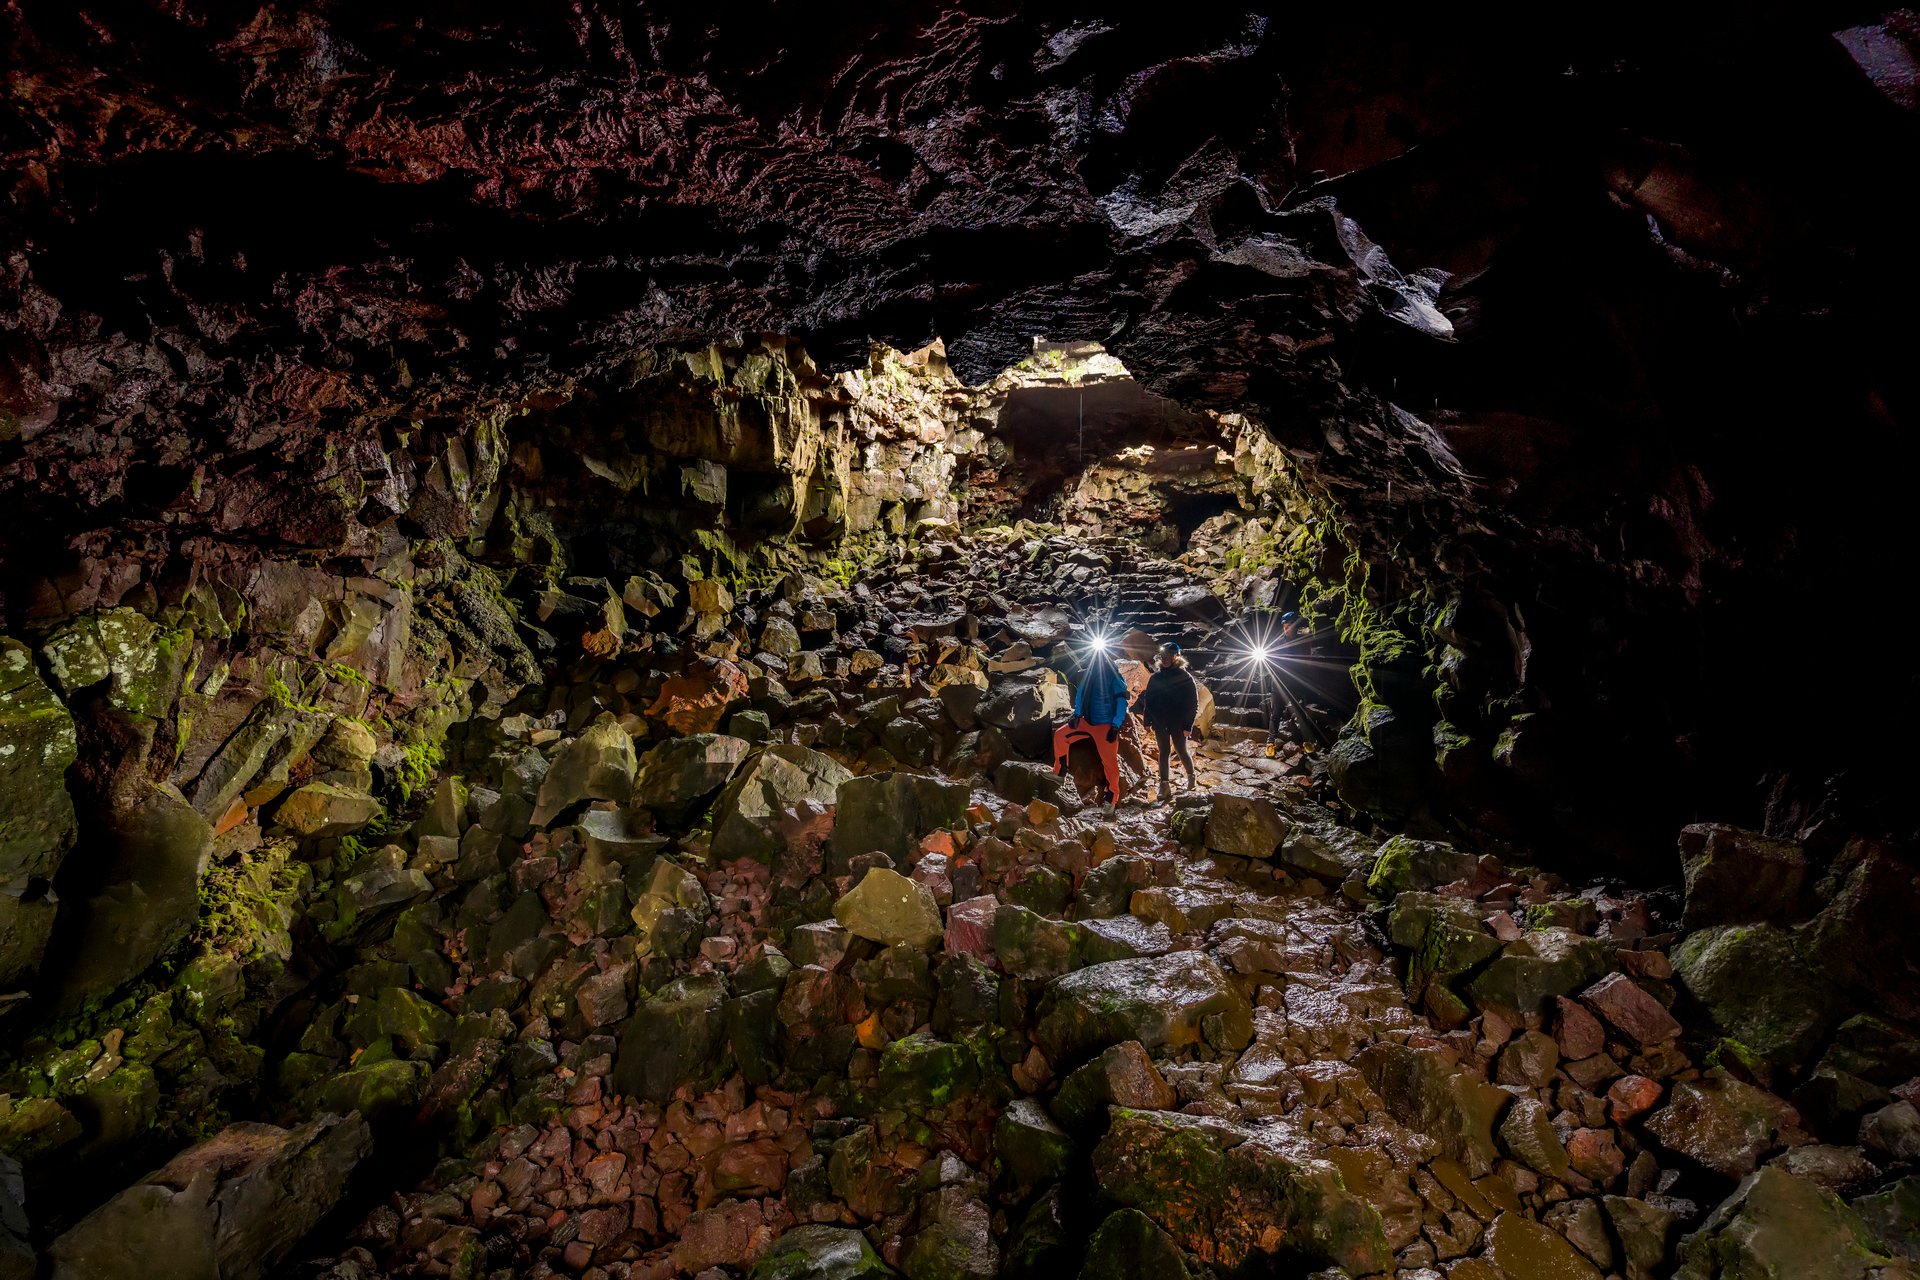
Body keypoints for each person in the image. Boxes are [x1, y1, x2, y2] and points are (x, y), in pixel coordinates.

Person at [1052, 648, 1130, 812]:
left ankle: (1111, 798)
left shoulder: (1114, 676)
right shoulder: (1088, 674)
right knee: (1060, 735)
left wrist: (1116, 725)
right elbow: (1081, 694)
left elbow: (1122, 701)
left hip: (1105, 725)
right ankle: (1059, 772)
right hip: (1087, 721)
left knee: (1109, 763)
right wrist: (1077, 715)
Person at [1136, 642, 1199, 802]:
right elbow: (1149, 700)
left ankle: (1191, 777)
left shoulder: (1185, 677)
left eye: (1167, 657)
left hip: (1178, 723)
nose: (1164, 660)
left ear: (1174, 657)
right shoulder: (1156, 677)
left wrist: (1187, 725)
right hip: (1160, 722)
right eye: (1162, 657)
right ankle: (1164, 786)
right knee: (1163, 753)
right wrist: (1147, 720)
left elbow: (1192, 703)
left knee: (1181, 751)